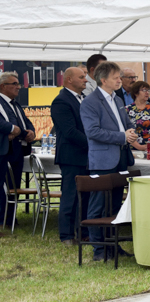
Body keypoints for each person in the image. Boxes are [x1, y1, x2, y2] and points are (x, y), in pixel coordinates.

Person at [80, 61, 137, 261]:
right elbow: (93, 132)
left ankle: (113, 246)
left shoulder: (118, 100)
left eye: (119, 77)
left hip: (120, 158)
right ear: (103, 80)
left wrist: (131, 132)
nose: (119, 80)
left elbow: (126, 124)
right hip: (103, 160)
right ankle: (99, 249)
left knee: (114, 205)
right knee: (98, 205)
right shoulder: (90, 102)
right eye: (116, 77)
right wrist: (122, 137)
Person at [51, 67, 89, 245]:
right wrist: (94, 143)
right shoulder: (61, 101)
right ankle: (66, 235)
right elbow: (70, 132)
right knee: (70, 196)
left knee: (86, 196)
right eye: (81, 77)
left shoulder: (85, 99)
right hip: (71, 156)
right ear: (69, 80)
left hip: (86, 155)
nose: (86, 80)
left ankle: (83, 232)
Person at [0, 72, 36, 227]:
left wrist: (30, 131)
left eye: (18, 83)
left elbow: (25, 121)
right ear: (2, 86)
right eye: (14, 84)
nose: (18, 87)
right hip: (3, 150)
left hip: (18, 150)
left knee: (14, 185)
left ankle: (10, 218)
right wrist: (10, 128)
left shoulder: (14, 104)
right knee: (2, 186)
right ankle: (2, 219)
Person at [125, 81, 150, 151]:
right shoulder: (127, 110)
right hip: (135, 149)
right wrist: (139, 147)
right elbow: (125, 131)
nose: (147, 92)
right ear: (136, 93)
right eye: (144, 90)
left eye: (148, 90)